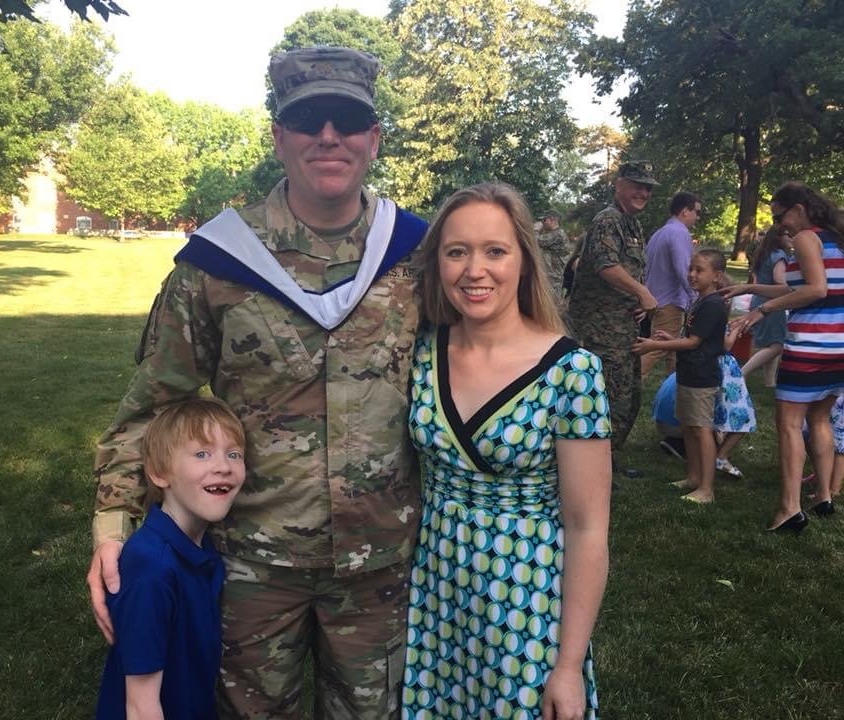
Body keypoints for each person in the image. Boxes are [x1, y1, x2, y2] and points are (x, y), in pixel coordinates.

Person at [87, 46, 430, 718]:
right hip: (253, 563)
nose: (328, 136)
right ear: (279, 136)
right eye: (308, 119)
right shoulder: (218, 262)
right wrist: (110, 528)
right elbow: (150, 408)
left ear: (374, 138)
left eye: (347, 118)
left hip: (380, 564)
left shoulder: (417, 253)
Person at [403, 183, 612, 719]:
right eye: (457, 251)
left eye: (495, 251)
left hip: (524, 597)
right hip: (437, 592)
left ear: (524, 260)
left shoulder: (571, 371)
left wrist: (567, 666)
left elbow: (588, 527)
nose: (475, 270)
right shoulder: (421, 349)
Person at [95, 398, 245, 720]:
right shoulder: (152, 569)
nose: (223, 465)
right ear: (160, 473)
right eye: (202, 454)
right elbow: (140, 705)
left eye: (234, 454)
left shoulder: (201, 549)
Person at [729, 182, 844, 532]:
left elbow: (815, 290)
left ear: (799, 208)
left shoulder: (808, 238)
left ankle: (789, 508)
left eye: (781, 216)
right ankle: (824, 497)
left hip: (812, 345)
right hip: (838, 348)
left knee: (789, 424)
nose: (780, 226)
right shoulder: (833, 239)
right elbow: (801, 286)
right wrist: (751, 288)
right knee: (820, 418)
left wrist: (763, 312)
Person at [567, 160, 660, 478]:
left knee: (625, 395)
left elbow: (628, 269)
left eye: (647, 187)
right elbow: (605, 264)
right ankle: (591, 467)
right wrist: (642, 293)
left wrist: (637, 296)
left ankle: (606, 460)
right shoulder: (609, 220)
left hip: (621, 327)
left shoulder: (632, 224)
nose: (643, 192)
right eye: (636, 184)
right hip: (598, 330)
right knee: (603, 396)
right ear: (619, 185)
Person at [633, 249, 728, 503]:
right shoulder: (700, 300)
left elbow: (694, 343)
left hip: (702, 377)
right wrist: (672, 339)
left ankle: (706, 489)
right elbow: (690, 339)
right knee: (688, 427)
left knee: (701, 430)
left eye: (699, 270)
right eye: (691, 269)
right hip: (688, 374)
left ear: (717, 276)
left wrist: (655, 346)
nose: (692, 274)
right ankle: (694, 477)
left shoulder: (713, 304)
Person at [640, 192, 702, 378]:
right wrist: (697, 298)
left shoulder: (660, 232)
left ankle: (675, 389)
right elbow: (685, 271)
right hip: (670, 303)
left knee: (673, 349)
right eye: (696, 212)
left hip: (655, 299)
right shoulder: (679, 233)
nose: (697, 218)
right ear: (685, 211)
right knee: (657, 348)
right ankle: (626, 388)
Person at [713, 275, 757, 478]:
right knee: (743, 416)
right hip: (724, 374)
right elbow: (726, 345)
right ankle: (720, 456)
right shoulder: (715, 316)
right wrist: (734, 331)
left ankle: (716, 453)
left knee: (719, 417)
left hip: (724, 372)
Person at [740, 225, 789, 387]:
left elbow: (756, 280)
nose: (791, 237)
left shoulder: (763, 254)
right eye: (787, 234)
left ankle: (769, 382)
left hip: (758, 300)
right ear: (779, 237)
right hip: (772, 304)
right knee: (777, 345)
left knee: (771, 343)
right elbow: (780, 282)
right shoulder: (779, 255)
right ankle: (742, 373)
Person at [537, 208, 570, 299]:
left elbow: (538, 241)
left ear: (553, 220)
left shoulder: (558, 234)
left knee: (552, 302)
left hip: (554, 275)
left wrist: (536, 229)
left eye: (544, 220)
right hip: (551, 273)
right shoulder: (553, 233)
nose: (542, 222)